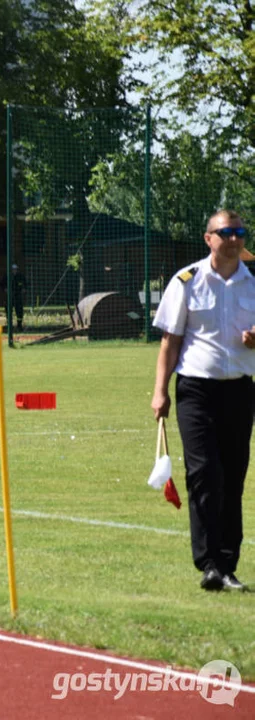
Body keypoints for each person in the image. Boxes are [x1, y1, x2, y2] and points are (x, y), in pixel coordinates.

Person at [152, 209, 255, 592]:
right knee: (204, 474)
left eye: (239, 232)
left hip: (240, 390)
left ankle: (227, 565)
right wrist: (160, 391)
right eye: (226, 232)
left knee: (233, 477)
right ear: (208, 237)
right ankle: (209, 563)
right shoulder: (187, 281)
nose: (234, 238)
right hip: (196, 390)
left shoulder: (253, 281)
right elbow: (170, 341)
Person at [0, 264, 26, 331]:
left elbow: (25, 283)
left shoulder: (20, 276)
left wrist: (24, 288)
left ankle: (19, 325)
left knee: (19, 311)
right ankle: (9, 325)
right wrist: (5, 289)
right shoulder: (7, 276)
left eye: (15, 269)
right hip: (10, 296)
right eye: (13, 269)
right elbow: (1, 284)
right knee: (8, 310)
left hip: (18, 296)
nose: (14, 271)